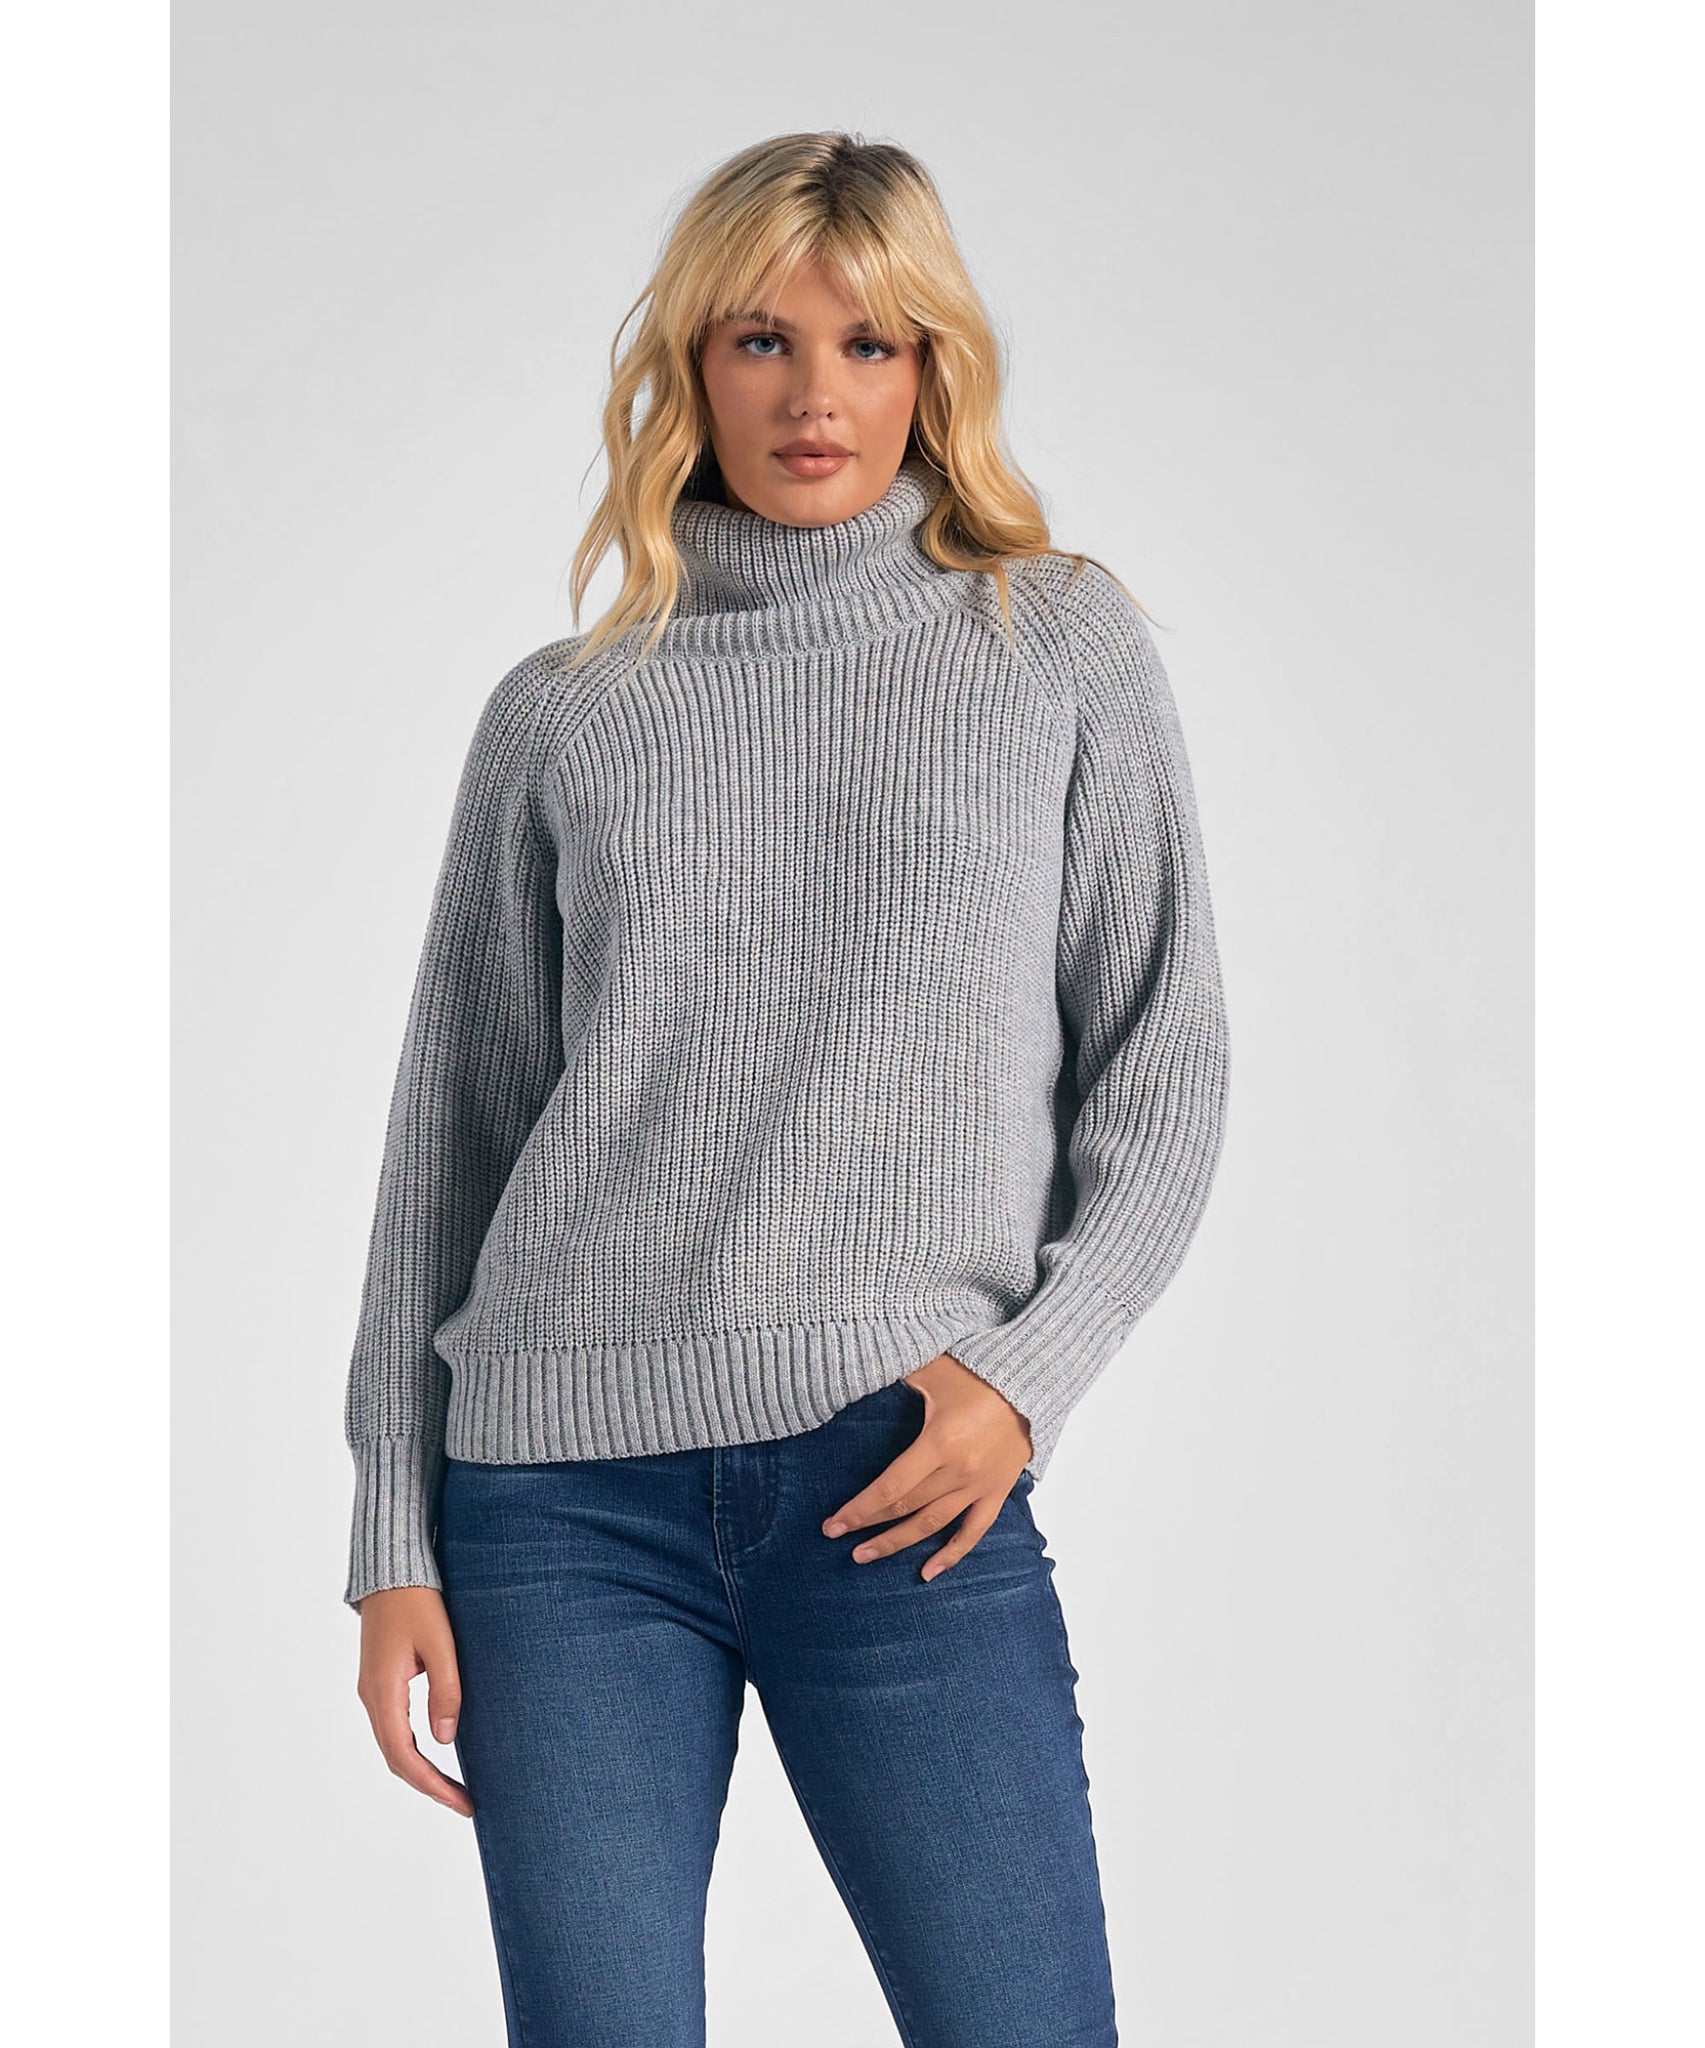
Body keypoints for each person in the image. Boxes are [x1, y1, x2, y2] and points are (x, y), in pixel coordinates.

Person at [342, 129, 1230, 2048]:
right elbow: (453, 1140)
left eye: (868, 343)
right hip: (557, 1510)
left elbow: (1162, 1063)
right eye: (761, 341)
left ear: (931, 372)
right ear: (691, 367)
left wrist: (1023, 1376)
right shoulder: (565, 711)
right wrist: (394, 1532)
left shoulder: (1049, 641)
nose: (814, 394)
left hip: (896, 1482)